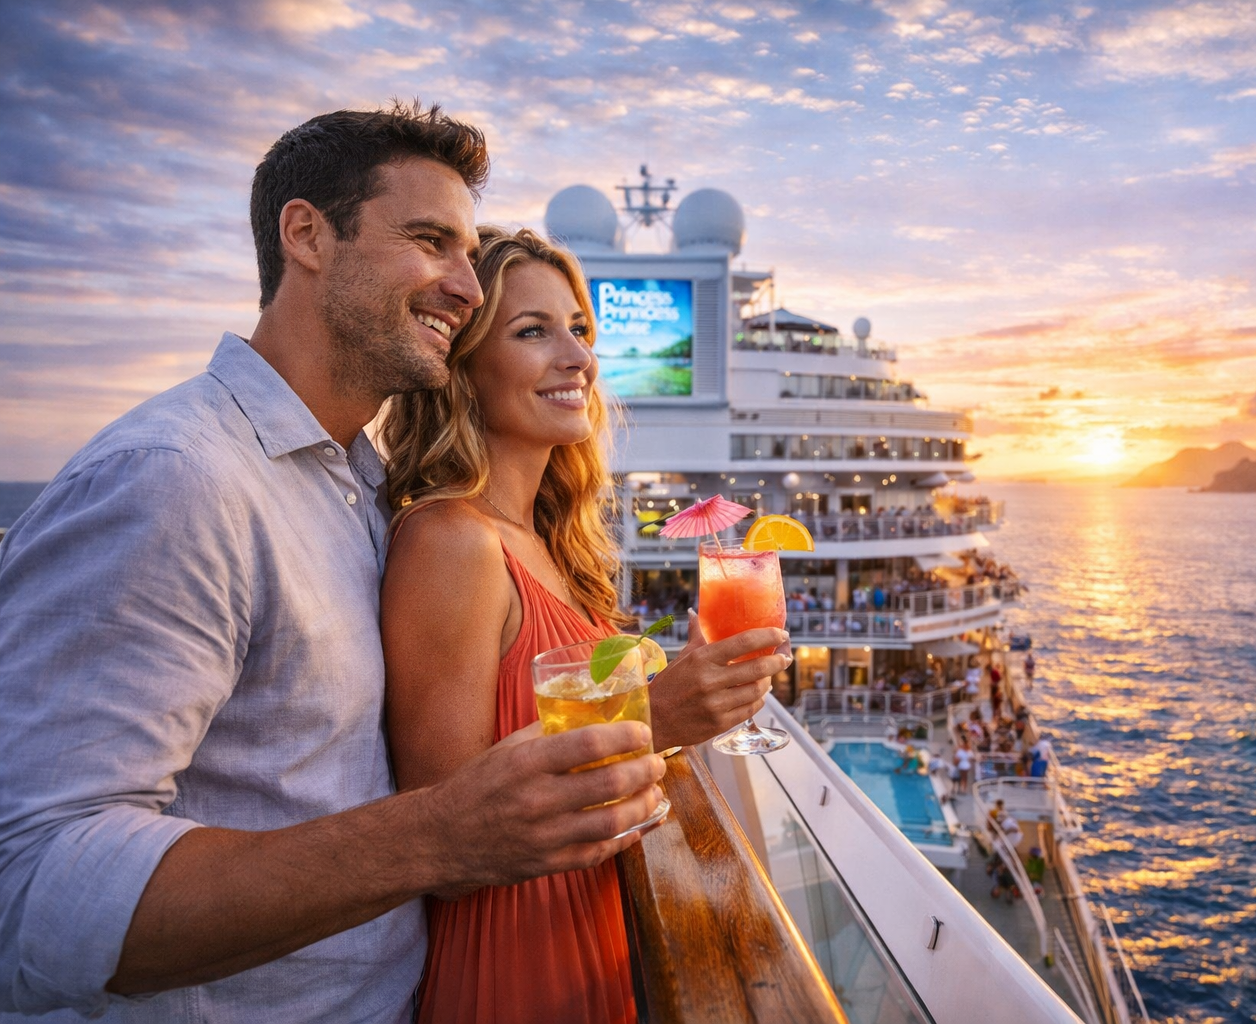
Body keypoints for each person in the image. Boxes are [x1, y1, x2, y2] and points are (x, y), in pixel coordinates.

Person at [0, 104, 665, 1022]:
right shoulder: (174, 480)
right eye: (431, 241)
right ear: (306, 235)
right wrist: (441, 835)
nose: (467, 289)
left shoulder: (362, 484)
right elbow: (30, 888)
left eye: (468, 255)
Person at [378, 226, 789, 1024]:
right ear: (461, 370)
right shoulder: (451, 542)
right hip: (516, 951)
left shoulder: (546, 540)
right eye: (533, 332)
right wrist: (661, 711)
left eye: (580, 330)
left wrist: (684, 696)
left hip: (593, 917)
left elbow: (560, 731)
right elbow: (441, 835)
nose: (579, 359)